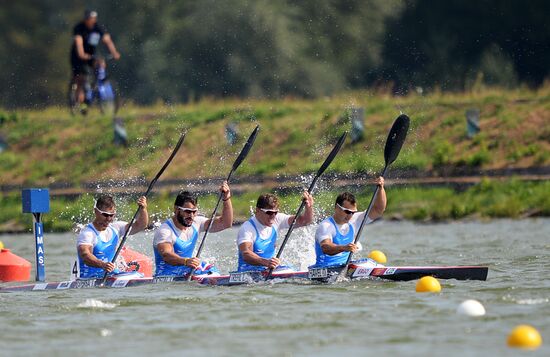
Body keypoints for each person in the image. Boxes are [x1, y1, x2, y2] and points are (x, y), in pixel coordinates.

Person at [153, 182, 233, 277]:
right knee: (201, 269)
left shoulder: (197, 223)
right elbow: (166, 255)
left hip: (187, 272)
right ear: (176, 209)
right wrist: (186, 261)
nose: (191, 216)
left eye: (194, 212)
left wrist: (226, 198)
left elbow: (226, 223)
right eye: (187, 211)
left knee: (207, 267)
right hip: (167, 275)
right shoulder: (165, 231)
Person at [312, 177, 386, 268]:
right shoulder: (326, 226)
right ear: (336, 207)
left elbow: (378, 210)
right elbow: (326, 247)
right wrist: (344, 248)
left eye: (353, 212)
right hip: (325, 269)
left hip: (345, 267)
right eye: (347, 211)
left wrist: (380, 188)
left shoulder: (355, 220)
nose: (350, 215)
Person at [237, 192, 314, 272]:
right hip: (249, 273)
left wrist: (309, 207)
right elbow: (246, 254)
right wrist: (266, 262)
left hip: (268, 269)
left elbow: (305, 221)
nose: (273, 216)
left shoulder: (277, 219)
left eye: (275, 212)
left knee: (292, 269)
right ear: (258, 210)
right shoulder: (247, 228)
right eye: (269, 212)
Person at [77, 195, 148, 279]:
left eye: (112, 215)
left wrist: (143, 209)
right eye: (105, 215)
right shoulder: (88, 233)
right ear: (96, 211)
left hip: (112, 275)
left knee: (138, 275)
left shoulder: (116, 228)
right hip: (91, 278)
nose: (108, 219)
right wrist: (102, 265)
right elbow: (85, 255)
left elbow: (140, 225)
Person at [70, 10, 120, 113]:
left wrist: (114, 52)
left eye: (93, 19)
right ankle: (80, 103)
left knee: (101, 63)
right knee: (81, 79)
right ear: (86, 19)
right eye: (90, 19)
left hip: (91, 55)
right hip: (78, 56)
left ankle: (97, 87)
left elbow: (107, 40)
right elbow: (78, 42)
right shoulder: (79, 28)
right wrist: (81, 54)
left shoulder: (97, 27)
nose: (92, 21)